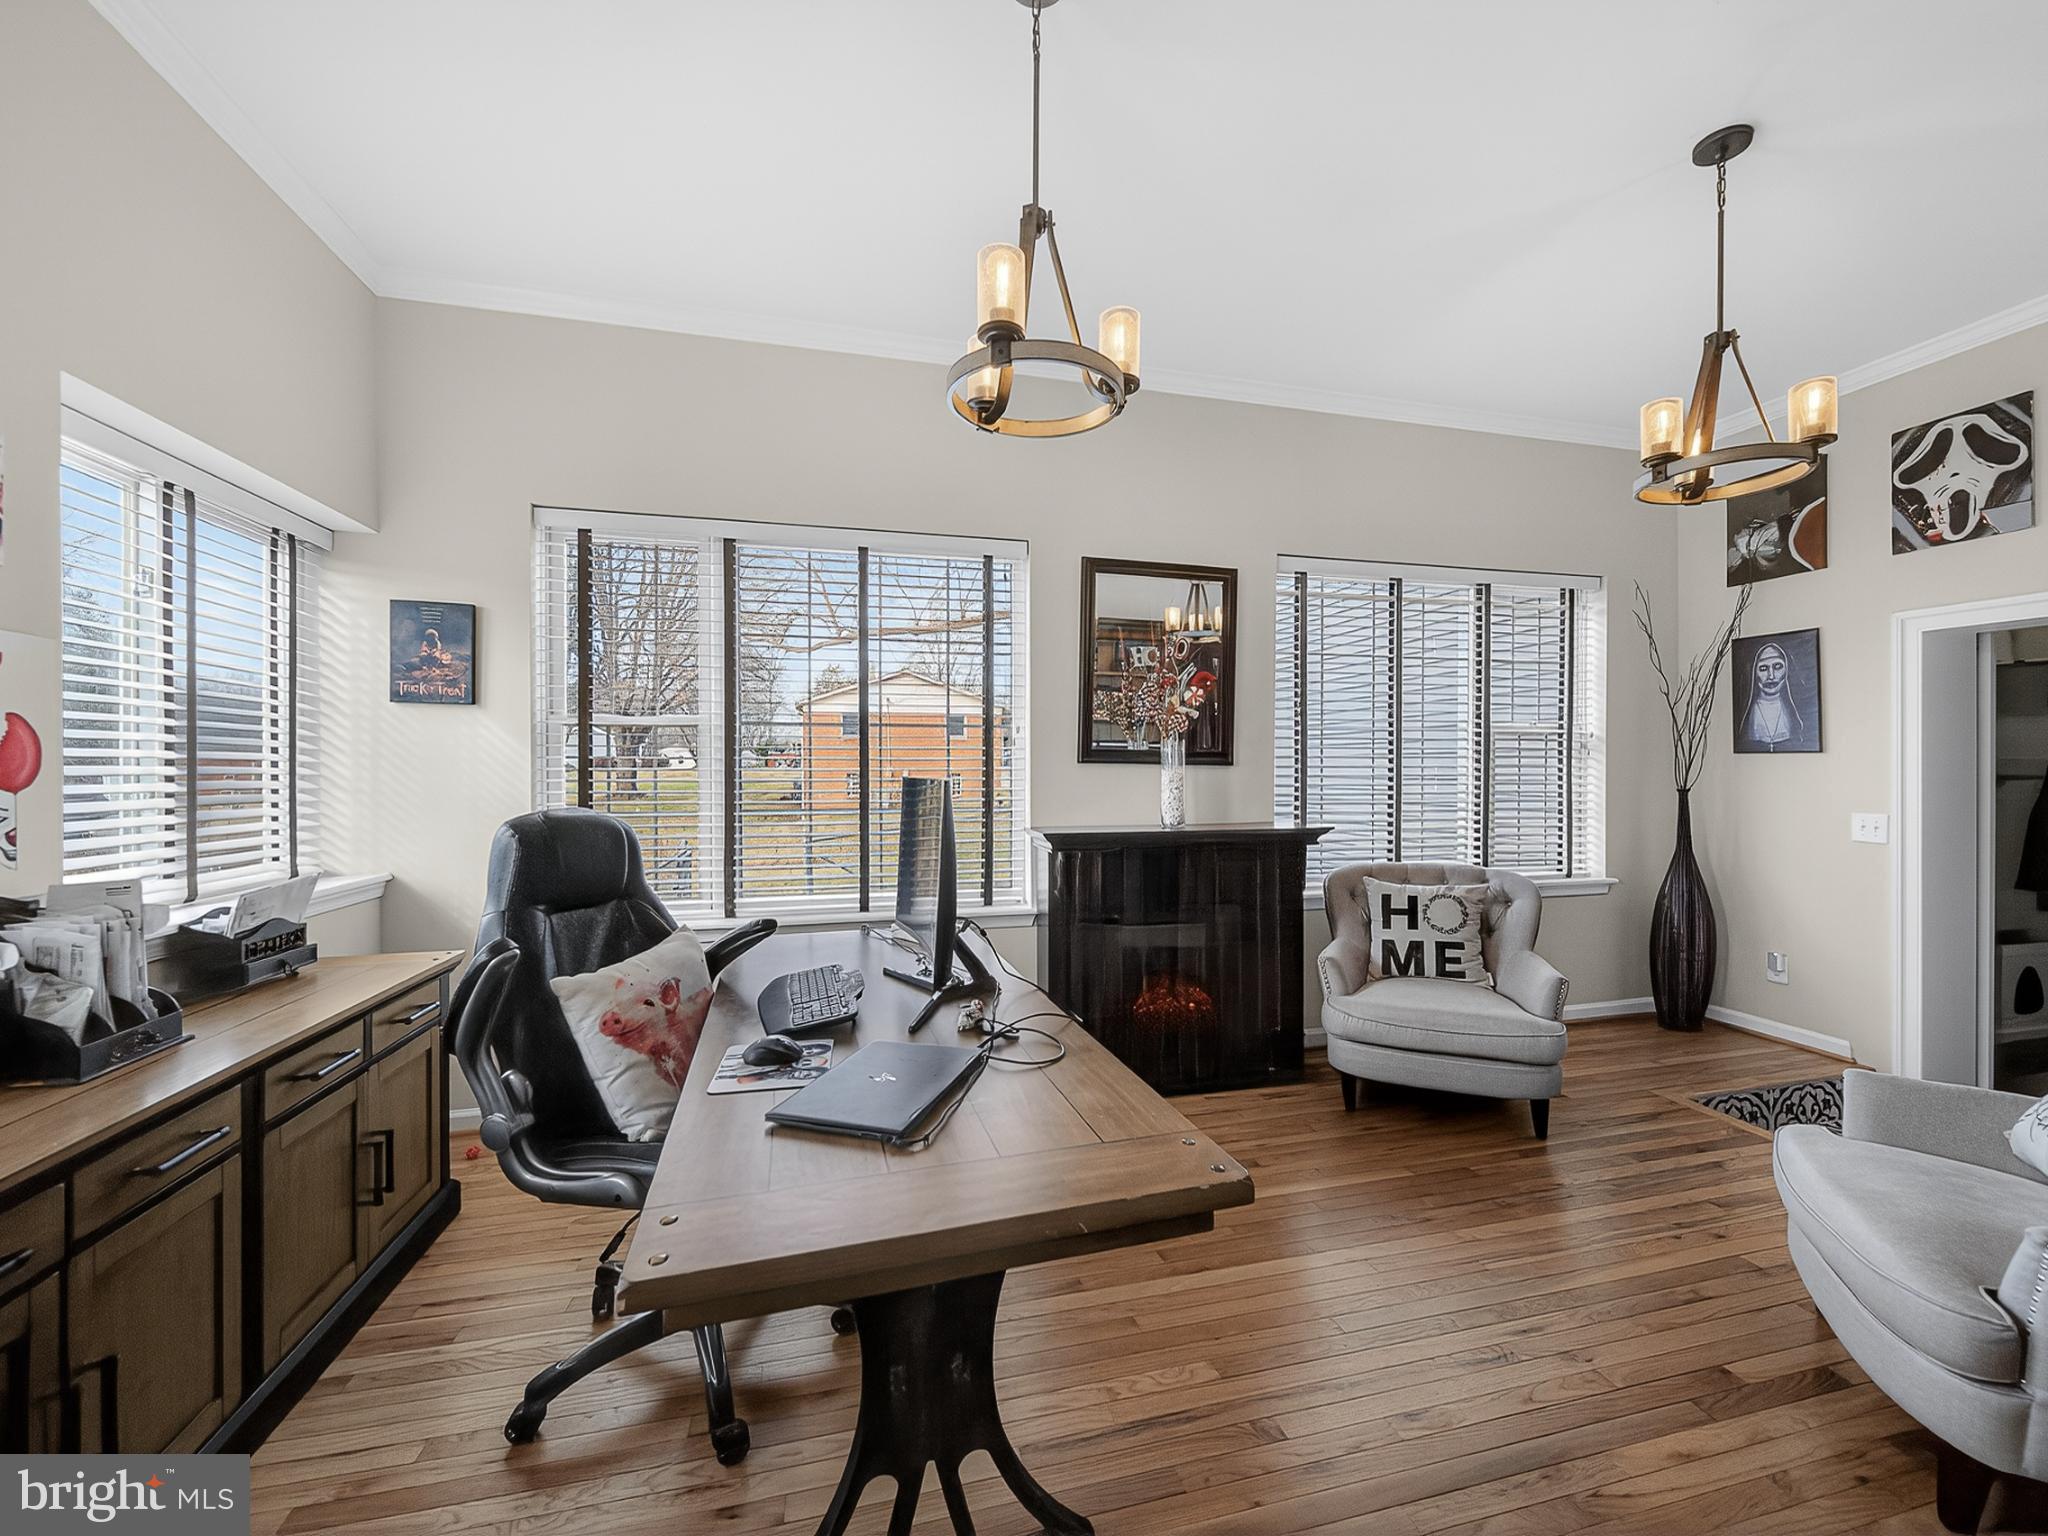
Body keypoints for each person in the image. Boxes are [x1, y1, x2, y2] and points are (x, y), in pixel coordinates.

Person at [1740, 641, 1804, 750]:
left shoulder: (1797, 713)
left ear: (1787, 670)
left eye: (1777, 666)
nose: (1771, 676)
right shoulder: (1749, 715)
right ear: (1754, 673)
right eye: (1763, 668)